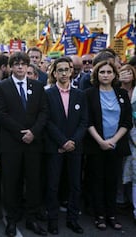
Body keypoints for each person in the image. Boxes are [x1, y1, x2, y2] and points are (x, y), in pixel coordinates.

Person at [0, 52, 48, 237]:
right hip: (11, 144)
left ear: (27, 66)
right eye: (16, 64)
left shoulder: (38, 86)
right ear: (10, 67)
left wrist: (33, 132)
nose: (19, 67)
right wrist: (21, 133)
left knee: (33, 181)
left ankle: (31, 218)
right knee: (11, 183)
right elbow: (1, 114)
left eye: (23, 64)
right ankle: (12, 219)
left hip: (33, 143)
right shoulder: (2, 87)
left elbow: (43, 112)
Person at [84, 60, 131, 231]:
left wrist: (113, 140)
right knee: (97, 181)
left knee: (113, 182)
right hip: (96, 145)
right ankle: (99, 216)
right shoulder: (89, 94)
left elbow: (127, 122)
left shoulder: (122, 93)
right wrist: (101, 141)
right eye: (102, 72)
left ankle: (112, 215)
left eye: (109, 72)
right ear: (96, 74)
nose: (105, 75)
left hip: (116, 145)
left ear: (114, 75)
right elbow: (87, 121)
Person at [44, 57, 88, 235]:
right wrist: (62, 142)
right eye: (59, 70)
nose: (63, 73)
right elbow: (47, 121)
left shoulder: (80, 94)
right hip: (55, 147)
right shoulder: (47, 94)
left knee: (75, 185)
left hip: (75, 147)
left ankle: (73, 220)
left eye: (66, 69)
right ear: (54, 73)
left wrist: (73, 142)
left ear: (71, 72)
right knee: (53, 185)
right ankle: (52, 220)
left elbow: (84, 122)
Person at [121, 64, 136, 224]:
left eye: (129, 72)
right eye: (123, 72)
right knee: (122, 170)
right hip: (120, 136)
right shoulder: (116, 91)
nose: (126, 75)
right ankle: (122, 200)